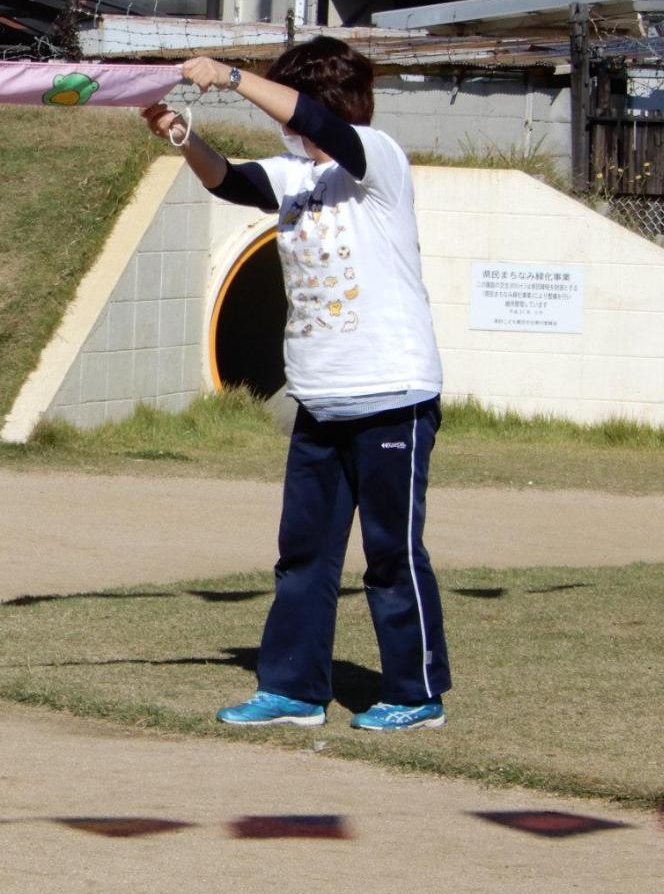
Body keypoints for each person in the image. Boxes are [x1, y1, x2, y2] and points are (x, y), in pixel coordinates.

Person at [144, 38, 450, 732]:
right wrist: (183, 136)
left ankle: (416, 691)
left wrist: (229, 76)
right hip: (320, 398)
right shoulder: (295, 178)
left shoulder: (379, 160)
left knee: (391, 553)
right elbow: (230, 182)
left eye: (294, 108)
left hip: (392, 397)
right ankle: (294, 690)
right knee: (304, 554)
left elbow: (321, 124)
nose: (287, 127)